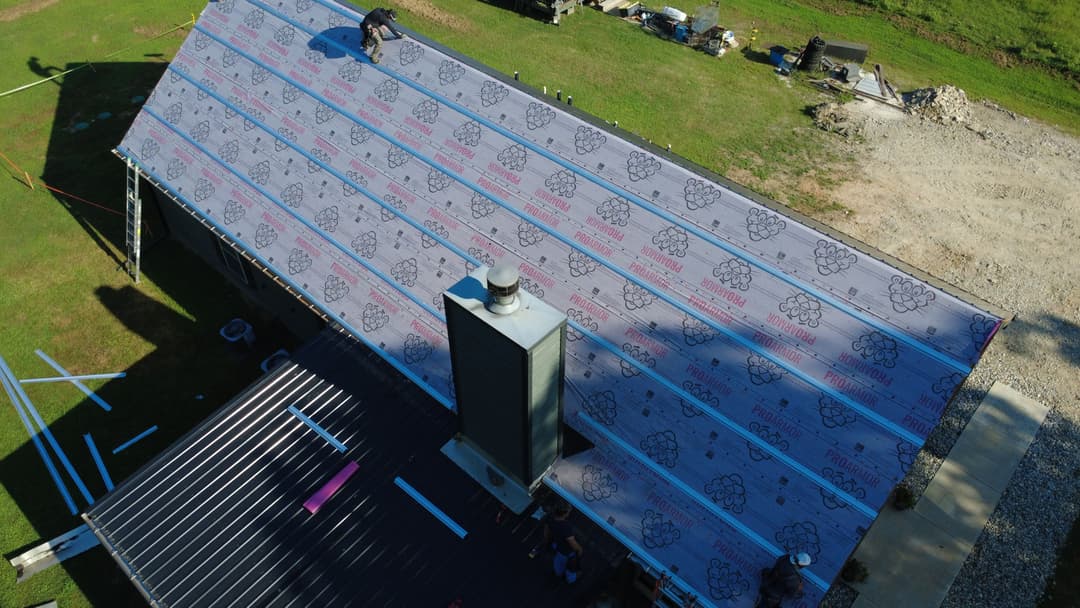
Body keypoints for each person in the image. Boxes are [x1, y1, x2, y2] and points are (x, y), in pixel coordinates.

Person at [537, 501, 583, 583]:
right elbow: (573, 544)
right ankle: (572, 578)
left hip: (557, 546)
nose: (569, 513)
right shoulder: (565, 527)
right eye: (569, 512)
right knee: (570, 571)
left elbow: (546, 532)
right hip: (566, 552)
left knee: (558, 566)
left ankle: (558, 574)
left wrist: (547, 542)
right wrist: (579, 551)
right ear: (565, 513)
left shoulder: (550, 517)